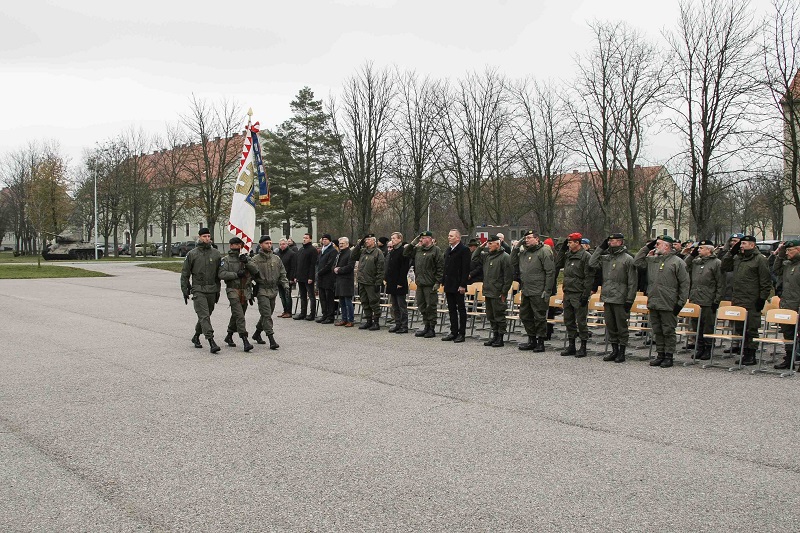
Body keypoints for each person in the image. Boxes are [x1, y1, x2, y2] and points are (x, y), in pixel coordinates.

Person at [633, 236, 690, 368]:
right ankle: (660, 354)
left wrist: (680, 303)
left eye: (658, 244)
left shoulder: (677, 262)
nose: (656, 246)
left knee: (668, 330)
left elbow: (685, 284)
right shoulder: (653, 260)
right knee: (657, 330)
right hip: (654, 300)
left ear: (667, 246)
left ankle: (669, 356)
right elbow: (637, 261)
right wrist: (647, 247)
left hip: (669, 302)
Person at [720, 234, 772, 366]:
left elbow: (765, 280)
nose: (741, 246)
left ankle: (751, 354)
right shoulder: (738, 258)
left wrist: (762, 298)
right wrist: (731, 252)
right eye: (740, 244)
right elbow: (725, 267)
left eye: (743, 244)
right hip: (738, 299)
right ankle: (744, 352)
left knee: (751, 328)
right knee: (740, 328)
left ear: (752, 245)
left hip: (752, 300)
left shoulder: (760, 259)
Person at [590, 233, 638, 363]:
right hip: (608, 297)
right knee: (610, 326)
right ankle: (614, 349)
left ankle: (622, 352)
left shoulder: (628, 259)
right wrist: (601, 247)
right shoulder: (606, 258)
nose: (611, 243)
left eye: (614, 241)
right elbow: (592, 262)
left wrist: (630, 299)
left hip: (621, 298)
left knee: (621, 326)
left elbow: (633, 282)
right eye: (610, 241)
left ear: (621, 242)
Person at [510, 230, 555, 352]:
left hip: (539, 290)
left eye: (529, 238)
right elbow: (512, 262)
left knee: (539, 317)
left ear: (537, 238)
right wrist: (516, 247)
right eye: (525, 238)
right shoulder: (524, 252)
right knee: (525, 315)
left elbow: (550, 272)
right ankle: (531, 339)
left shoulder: (544, 251)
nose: (527, 240)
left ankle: (541, 342)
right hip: (527, 289)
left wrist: (547, 290)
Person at [180, 228, 223, 353]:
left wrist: (218, 290)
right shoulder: (192, 254)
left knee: (205, 315)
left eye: (208, 236)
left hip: (212, 289)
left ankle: (196, 336)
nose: (207, 238)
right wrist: (185, 289)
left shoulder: (215, 254)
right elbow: (185, 273)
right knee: (204, 316)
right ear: (199, 237)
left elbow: (219, 274)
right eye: (204, 236)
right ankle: (211, 341)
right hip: (198, 289)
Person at [554, 232, 594, 358]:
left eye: (570, 242)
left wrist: (585, 294)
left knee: (581, 322)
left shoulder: (585, 256)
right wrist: (562, 249)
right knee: (568, 320)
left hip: (579, 293)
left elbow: (589, 277)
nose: (569, 244)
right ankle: (571, 345)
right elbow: (557, 263)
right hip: (568, 292)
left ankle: (583, 346)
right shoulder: (568, 255)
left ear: (577, 243)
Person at [684, 240, 723, 360]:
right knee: (696, 326)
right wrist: (691, 254)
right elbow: (685, 265)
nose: (699, 250)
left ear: (709, 250)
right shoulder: (697, 262)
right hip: (695, 298)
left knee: (707, 326)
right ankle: (699, 348)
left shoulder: (716, 263)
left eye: (701, 248)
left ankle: (708, 348)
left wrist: (716, 300)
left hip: (708, 299)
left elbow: (720, 283)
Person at [218, 237, 259, 352]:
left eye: (239, 244)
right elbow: (221, 274)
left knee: (237, 314)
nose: (238, 246)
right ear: (230, 245)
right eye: (235, 244)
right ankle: (244, 339)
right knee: (239, 315)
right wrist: (236, 274)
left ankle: (229, 335)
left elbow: (255, 271)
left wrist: (246, 262)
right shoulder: (226, 260)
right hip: (233, 290)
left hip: (245, 290)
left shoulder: (246, 258)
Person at [472, 235, 514, 347]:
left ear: (498, 244)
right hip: (488, 291)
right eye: (487, 243)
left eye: (491, 244)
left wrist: (504, 292)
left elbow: (508, 277)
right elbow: (474, 258)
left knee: (499, 315)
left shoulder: (505, 257)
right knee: (490, 315)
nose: (488, 246)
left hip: (498, 292)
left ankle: (500, 337)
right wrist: (480, 248)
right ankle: (495, 335)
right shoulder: (487, 257)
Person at [404, 231, 445, 338]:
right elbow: (406, 253)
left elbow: (440, 268)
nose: (421, 240)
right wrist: (413, 243)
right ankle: (426, 326)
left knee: (431, 306)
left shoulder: (436, 251)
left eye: (424, 238)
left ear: (430, 239)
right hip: (420, 283)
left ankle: (431, 328)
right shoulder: (418, 249)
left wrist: (437, 282)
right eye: (421, 238)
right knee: (421, 305)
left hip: (430, 284)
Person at [251, 235, 289, 350]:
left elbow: (282, 273)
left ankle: (257, 333)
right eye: (266, 243)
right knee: (266, 315)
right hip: (262, 289)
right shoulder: (255, 260)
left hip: (273, 289)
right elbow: (250, 275)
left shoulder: (276, 258)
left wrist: (285, 285)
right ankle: (271, 339)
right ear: (261, 244)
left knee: (267, 314)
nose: (269, 245)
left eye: (270, 243)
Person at [772, 240, 800, 370]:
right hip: (787, 304)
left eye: (790, 250)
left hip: (798, 305)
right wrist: (781, 253)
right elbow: (775, 269)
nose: (787, 252)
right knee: (787, 334)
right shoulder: (787, 265)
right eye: (787, 250)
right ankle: (788, 359)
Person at [441, 229, 471, 343]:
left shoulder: (464, 250)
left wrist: (463, 285)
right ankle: (453, 331)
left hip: (458, 284)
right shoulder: (449, 250)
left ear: (458, 238)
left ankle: (461, 333)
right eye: (449, 236)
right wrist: (443, 281)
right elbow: (446, 267)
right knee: (451, 309)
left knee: (461, 309)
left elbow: (465, 269)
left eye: (451, 236)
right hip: (449, 283)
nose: (449, 238)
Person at [351, 234, 386, 330]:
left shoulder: (378, 253)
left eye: (368, 240)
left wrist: (378, 282)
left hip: (372, 282)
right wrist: (359, 245)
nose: (366, 241)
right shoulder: (363, 251)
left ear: (373, 241)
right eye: (365, 240)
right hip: (362, 281)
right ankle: (368, 321)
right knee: (364, 302)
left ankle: (376, 322)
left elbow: (381, 269)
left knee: (374, 302)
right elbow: (353, 256)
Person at [385, 232, 411, 334]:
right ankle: (397, 324)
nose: (392, 240)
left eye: (394, 238)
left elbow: (404, 268)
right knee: (394, 305)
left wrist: (400, 281)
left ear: (400, 239)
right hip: (392, 282)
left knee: (401, 305)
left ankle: (404, 326)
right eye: (391, 238)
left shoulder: (402, 251)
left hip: (399, 282)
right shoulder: (393, 251)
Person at [293, 233, 318, 321]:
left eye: (306, 238)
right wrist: (295, 275)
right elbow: (297, 264)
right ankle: (303, 313)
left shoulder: (312, 250)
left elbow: (313, 265)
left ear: (310, 239)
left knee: (311, 296)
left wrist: (311, 277)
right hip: (300, 276)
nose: (304, 239)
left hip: (308, 277)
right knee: (302, 296)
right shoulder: (301, 249)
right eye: (303, 238)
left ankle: (312, 314)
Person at [334, 237, 356, 327]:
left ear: (347, 244)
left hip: (347, 280)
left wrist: (339, 270)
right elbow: (334, 264)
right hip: (339, 280)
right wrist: (334, 269)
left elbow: (350, 266)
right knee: (341, 301)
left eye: (342, 243)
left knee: (348, 301)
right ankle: (344, 319)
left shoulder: (350, 254)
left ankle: (350, 320)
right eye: (340, 243)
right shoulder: (339, 253)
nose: (341, 245)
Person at [315, 233, 337, 324]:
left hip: (328, 278)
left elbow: (329, 265)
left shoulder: (332, 251)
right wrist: (317, 271)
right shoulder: (322, 251)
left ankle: (330, 316)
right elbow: (317, 263)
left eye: (326, 239)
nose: (324, 241)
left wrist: (320, 272)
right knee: (322, 298)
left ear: (330, 241)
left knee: (329, 298)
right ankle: (324, 314)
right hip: (321, 278)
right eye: (323, 239)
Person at [277, 238, 296, 318]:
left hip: (287, 278)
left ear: (287, 244)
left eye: (284, 244)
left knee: (287, 295)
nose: (282, 246)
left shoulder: (292, 254)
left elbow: (293, 267)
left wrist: (292, 278)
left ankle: (289, 311)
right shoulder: (277, 254)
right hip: (279, 278)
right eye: (281, 244)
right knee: (281, 296)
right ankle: (285, 310)